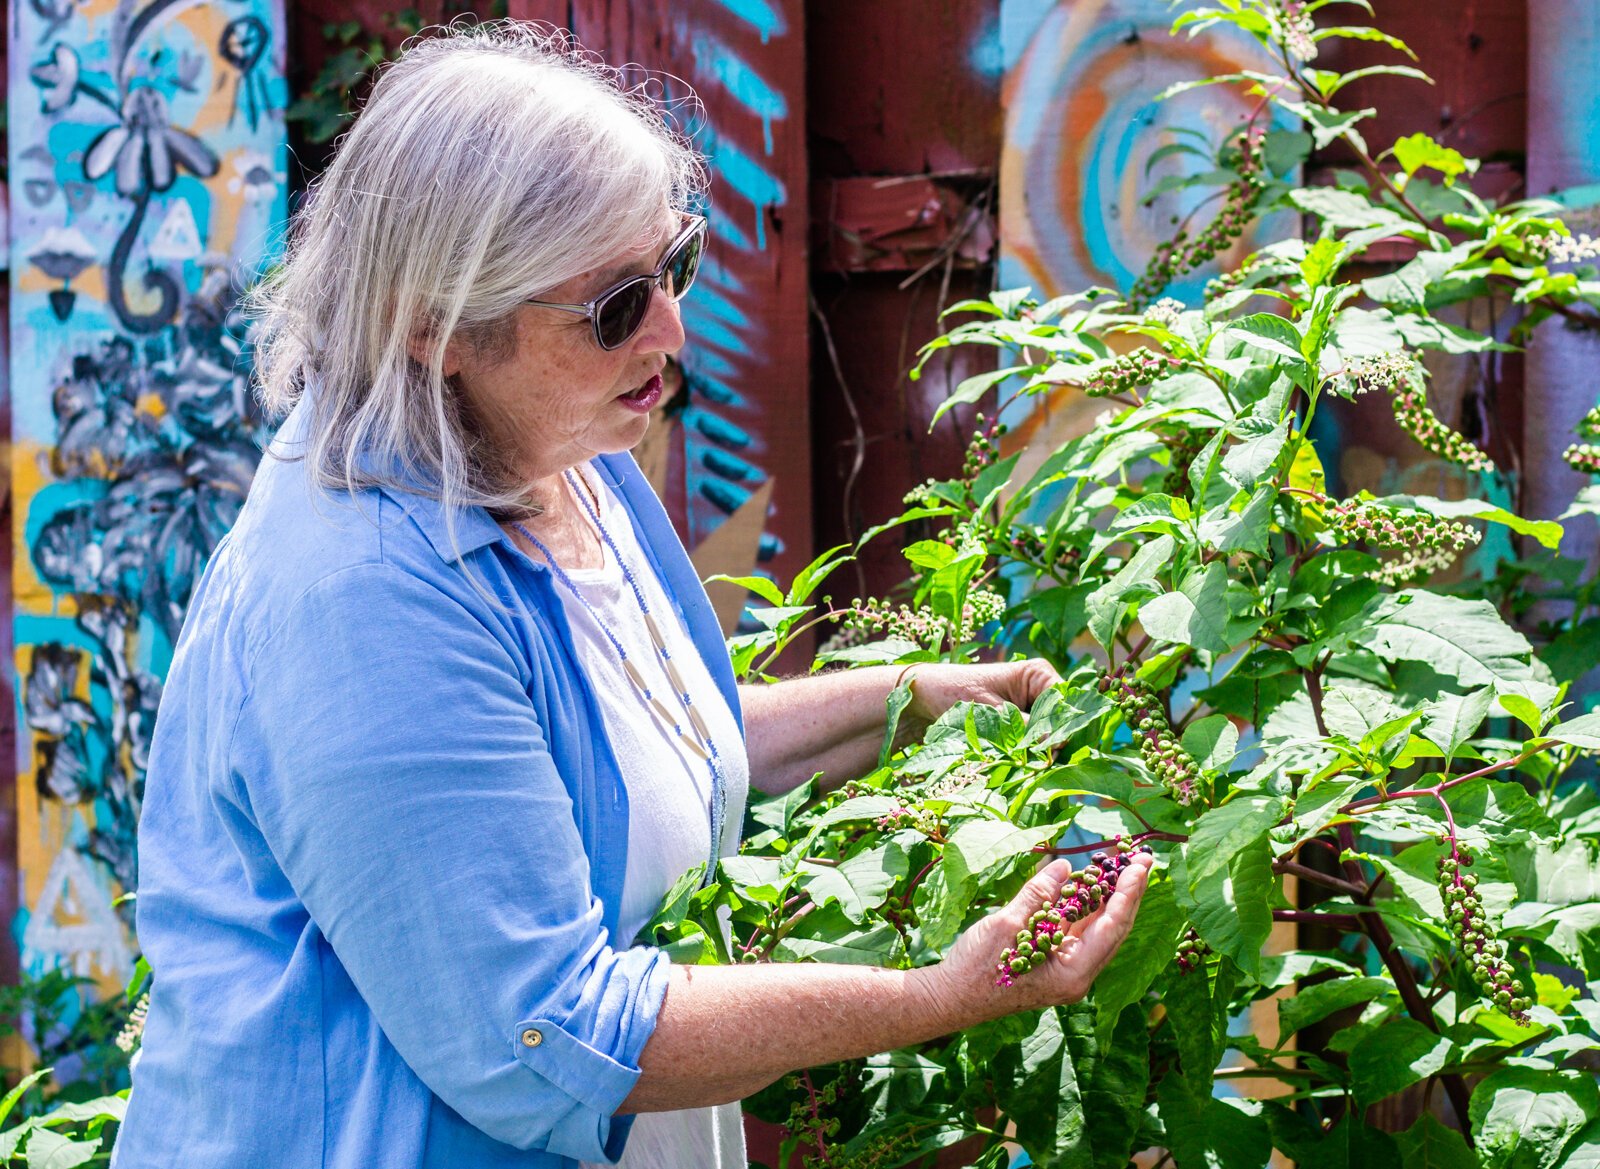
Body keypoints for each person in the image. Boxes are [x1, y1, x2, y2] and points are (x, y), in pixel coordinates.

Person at [110, 22, 1153, 1169]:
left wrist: (915, 697)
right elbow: (557, 1034)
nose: (669, 329)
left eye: (677, 265)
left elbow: (621, 757)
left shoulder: (565, 451)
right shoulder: (362, 606)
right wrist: (943, 990)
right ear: (438, 328)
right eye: (614, 306)